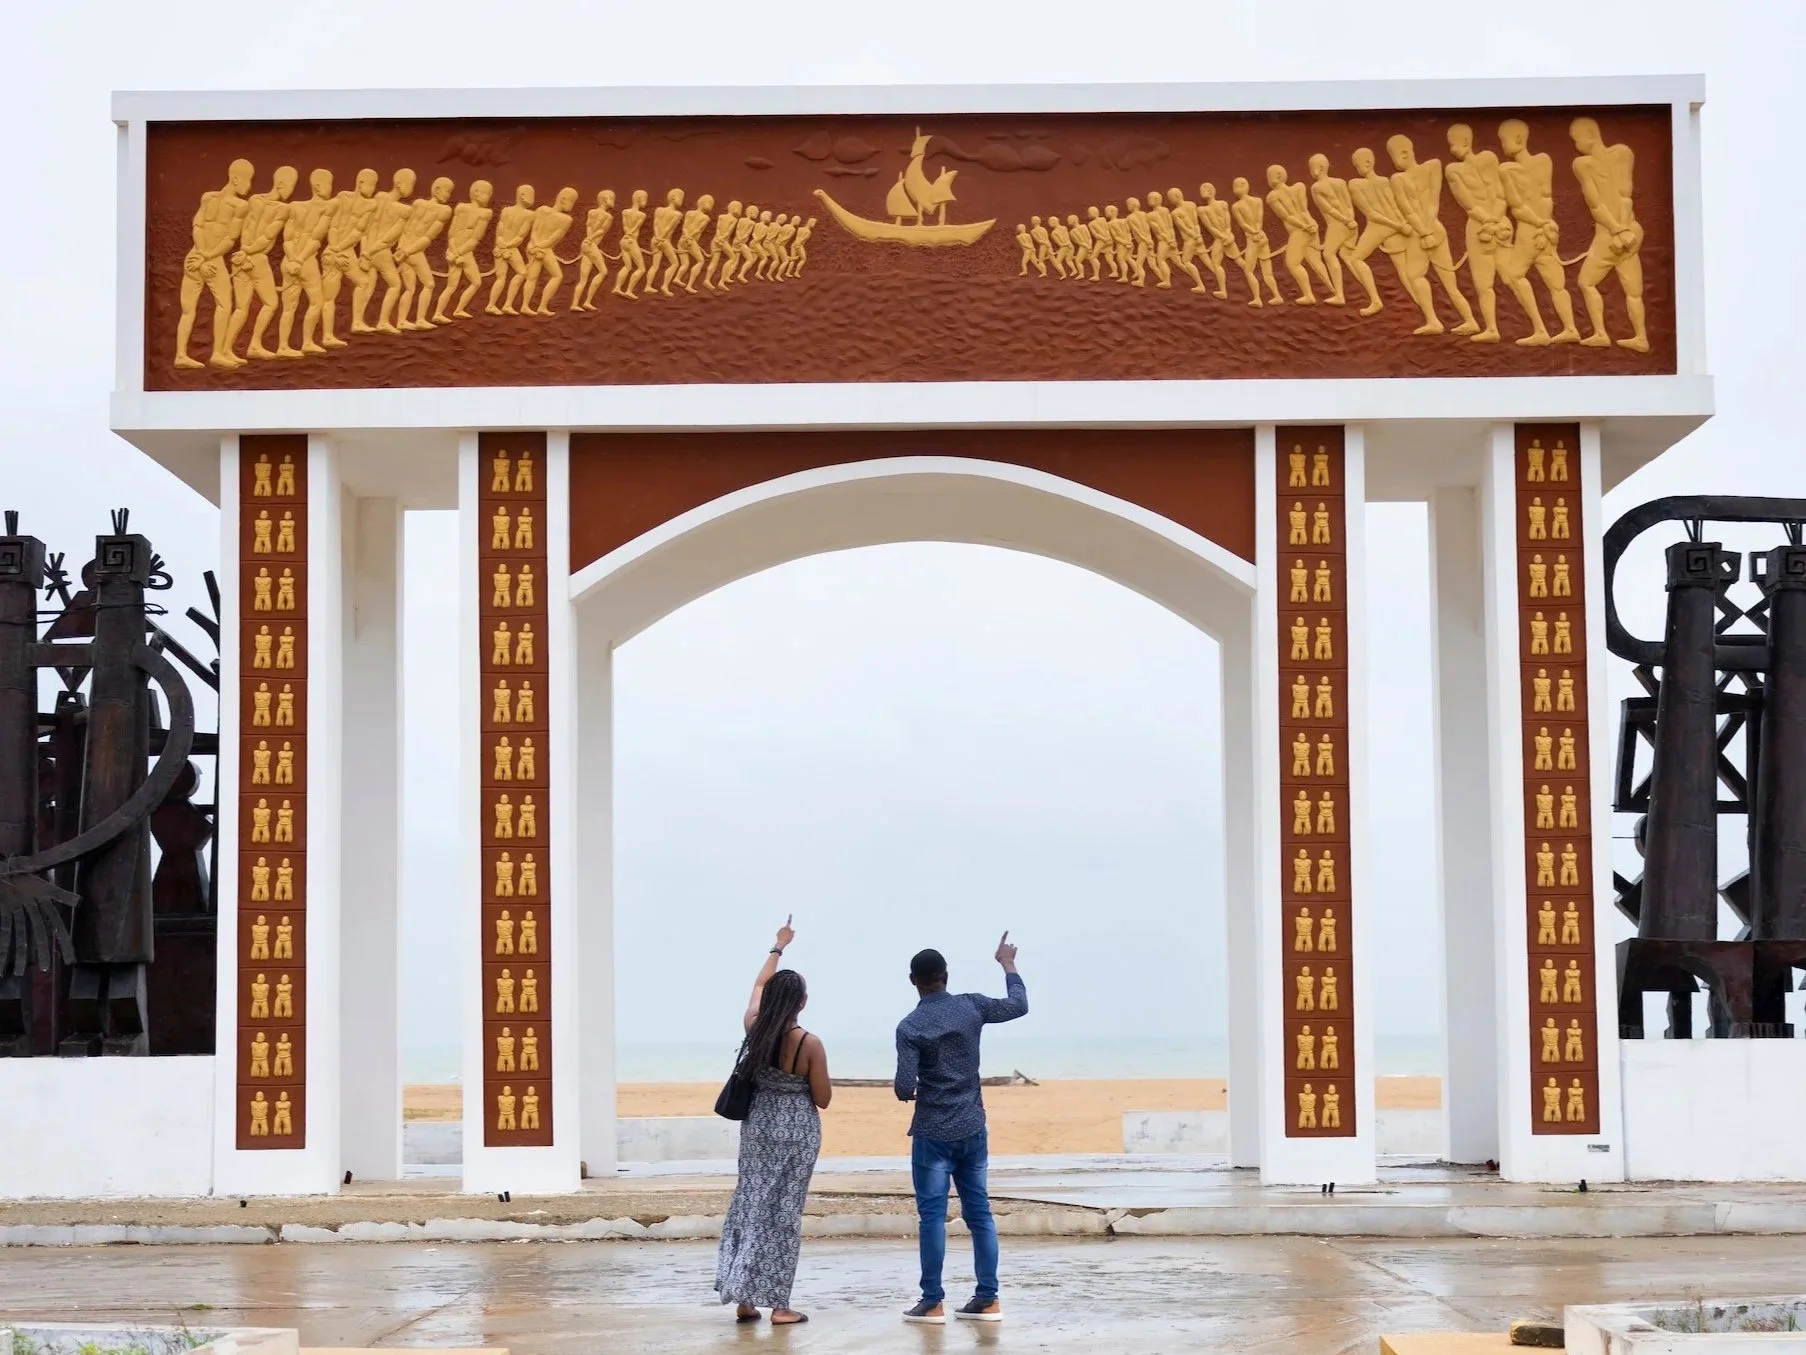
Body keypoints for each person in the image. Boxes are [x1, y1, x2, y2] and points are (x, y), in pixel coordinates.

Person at [895, 933, 1028, 1324]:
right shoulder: (971, 1006)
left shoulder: (910, 1026)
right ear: (946, 975)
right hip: (972, 1126)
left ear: (913, 980)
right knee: (980, 1213)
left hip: (933, 1134)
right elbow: (1018, 1005)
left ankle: (932, 1301)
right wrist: (1007, 964)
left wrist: (911, 1087)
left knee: (932, 1217)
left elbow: (905, 1086)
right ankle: (988, 1298)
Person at [715, 917, 830, 1326]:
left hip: (759, 1125)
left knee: (751, 1203)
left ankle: (745, 1300)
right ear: (800, 1002)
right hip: (797, 1129)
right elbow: (823, 1097)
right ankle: (780, 1305)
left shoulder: (754, 1028)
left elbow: (759, 988)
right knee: (784, 1213)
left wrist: (778, 947)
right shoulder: (809, 1043)